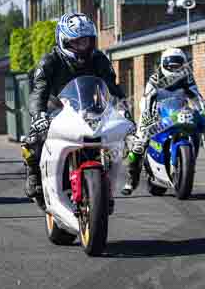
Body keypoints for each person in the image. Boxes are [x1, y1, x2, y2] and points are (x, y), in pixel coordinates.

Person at [23, 12, 131, 199]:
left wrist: (123, 107)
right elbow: (38, 91)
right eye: (78, 42)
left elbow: (112, 86)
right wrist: (38, 115)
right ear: (64, 40)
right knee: (34, 138)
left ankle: (107, 187)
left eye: (87, 41)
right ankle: (33, 174)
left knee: (117, 139)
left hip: (90, 107)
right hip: (55, 108)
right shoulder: (50, 61)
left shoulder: (99, 59)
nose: (84, 46)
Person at [122, 48, 205, 195]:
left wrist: (202, 112)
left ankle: (188, 164)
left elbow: (196, 97)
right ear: (163, 65)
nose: (174, 69)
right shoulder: (155, 79)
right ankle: (131, 179)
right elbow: (148, 99)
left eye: (177, 66)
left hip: (177, 112)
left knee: (196, 130)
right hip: (155, 111)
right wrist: (148, 117)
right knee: (139, 144)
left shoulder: (187, 77)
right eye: (170, 66)